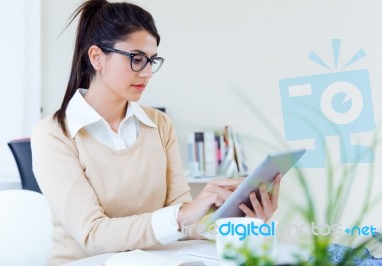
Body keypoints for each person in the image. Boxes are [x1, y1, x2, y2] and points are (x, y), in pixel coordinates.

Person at [31, 0, 281, 265]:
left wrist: (241, 221)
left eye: (152, 61)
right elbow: (92, 235)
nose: (148, 73)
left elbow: (183, 222)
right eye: (136, 59)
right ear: (97, 57)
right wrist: (182, 214)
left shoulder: (159, 124)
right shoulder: (53, 134)